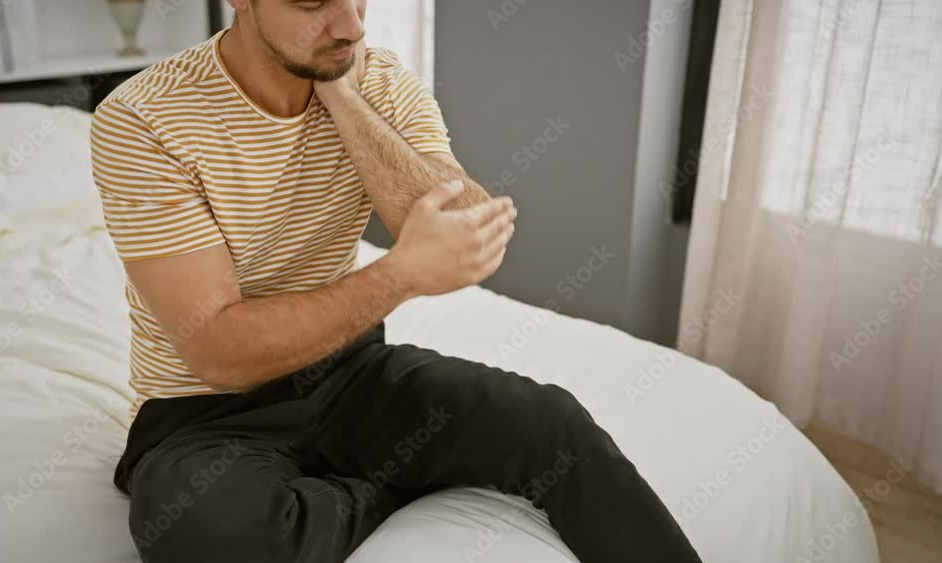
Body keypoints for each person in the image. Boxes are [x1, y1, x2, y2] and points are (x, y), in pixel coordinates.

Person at [90, 1, 703, 561]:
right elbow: (218, 353)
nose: (351, 26)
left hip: (350, 374)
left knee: (550, 421)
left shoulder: (371, 75)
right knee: (208, 532)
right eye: (313, 2)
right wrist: (400, 274)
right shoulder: (143, 119)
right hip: (206, 415)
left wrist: (346, 100)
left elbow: (471, 230)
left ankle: (349, 485)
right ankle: (382, 485)